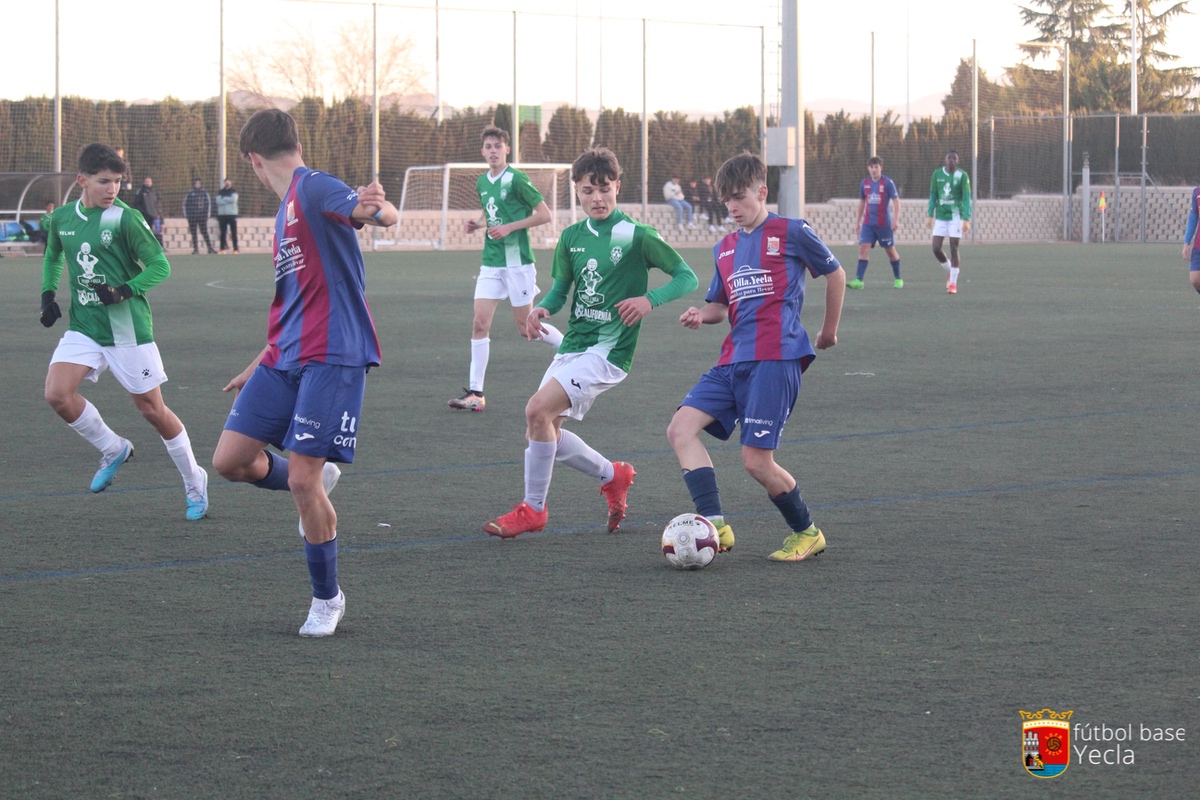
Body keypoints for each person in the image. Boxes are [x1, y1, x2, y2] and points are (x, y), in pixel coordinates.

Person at [211, 108, 397, 638]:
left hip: (333, 353)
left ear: (251, 160)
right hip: (284, 355)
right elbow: (299, 297)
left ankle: (327, 599)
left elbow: (376, 214)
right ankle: (321, 483)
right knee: (231, 461)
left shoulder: (313, 188)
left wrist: (375, 209)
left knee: (300, 477)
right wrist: (261, 359)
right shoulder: (287, 206)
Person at [483, 147, 699, 539]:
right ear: (577, 192)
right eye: (587, 191)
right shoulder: (571, 237)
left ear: (618, 186)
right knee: (543, 428)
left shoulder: (638, 235)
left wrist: (650, 300)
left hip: (609, 352)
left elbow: (686, 276)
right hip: (574, 346)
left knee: (535, 411)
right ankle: (612, 475)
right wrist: (541, 309)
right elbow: (561, 290)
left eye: (603, 189)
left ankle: (534, 510)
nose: (596, 199)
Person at [666, 152, 845, 562]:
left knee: (756, 463)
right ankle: (715, 525)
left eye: (739, 197)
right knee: (680, 429)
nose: (732, 207)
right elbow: (721, 306)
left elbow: (835, 274)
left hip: (776, 358)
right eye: (725, 199)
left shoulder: (791, 230)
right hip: (732, 360)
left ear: (762, 192)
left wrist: (828, 331)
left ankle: (807, 532)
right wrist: (701, 313)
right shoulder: (724, 248)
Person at [39, 143, 209, 521]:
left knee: (152, 409)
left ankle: (194, 480)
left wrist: (124, 290)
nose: (112, 189)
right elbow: (53, 254)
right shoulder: (62, 218)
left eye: (117, 181)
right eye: (103, 181)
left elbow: (159, 266)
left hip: (127, 328)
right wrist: (48, 293)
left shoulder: (126, 219)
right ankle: (113, 447)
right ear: (82, 180)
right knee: (57, 394)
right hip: (84, 327)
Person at [449, 126, 563, 411]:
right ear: (482, 151)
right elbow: (492, 214)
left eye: (498, 146)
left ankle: (572, 350)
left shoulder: (516, 178)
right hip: (491, 262)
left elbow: (544, 215)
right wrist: (477, 224)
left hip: (517, 262)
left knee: (528, 330)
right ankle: (476, 393)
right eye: (488, 146)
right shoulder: (482, 182)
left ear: (507, 150)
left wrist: (510, 227)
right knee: (479, 323)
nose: (493, 151)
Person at [848, 156, 903, 289]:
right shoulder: (864, 183)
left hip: (884, 224)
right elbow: (862, 202)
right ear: (868, 168)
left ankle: (898, 278)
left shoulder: (888, 183)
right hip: (868, 224)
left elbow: (896, 201)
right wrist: (857, 222)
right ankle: (859, 280)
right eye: (871, 167)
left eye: (876, 167)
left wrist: (895, 220)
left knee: (890, 251)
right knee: (863, 248)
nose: (874, 170)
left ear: (881, 168)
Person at [925, 150, 971, 295]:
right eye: (949, 158)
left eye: (954, 158)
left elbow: (966, 198)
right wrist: (929, 215)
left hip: (956, 216)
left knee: (953, 248)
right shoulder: (936, 175)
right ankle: (951, 270)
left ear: (957, 161)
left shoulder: (962, 176)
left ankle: (953, 284)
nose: (951, 160)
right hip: (940, 216)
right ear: (945, 160)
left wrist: (966, 218)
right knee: (936, 248)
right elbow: (933, 196)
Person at [183, 178, 217, 255]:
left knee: (205, 232)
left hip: (202, 217)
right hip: (192, 217)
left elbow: (208, 205)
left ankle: (210, 248)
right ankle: (196, 249)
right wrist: (187, 216)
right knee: (194, 233)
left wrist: (206, 215)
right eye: (196, 183)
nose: (197, 185)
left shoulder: (204, 193)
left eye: (199, 183)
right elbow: (185, 205)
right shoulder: (190, 193)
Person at [132, 177, 164, 246]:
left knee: (157, 230)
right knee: (145, 230)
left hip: (154, 215)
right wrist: (143, 212)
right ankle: (146, 245)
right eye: (147, 181)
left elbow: (157, 204)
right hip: (145, 215)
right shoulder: (140, 192)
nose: (148, 183)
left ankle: (159, 245)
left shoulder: (154, 191)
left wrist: (158, 213)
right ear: (144, 182)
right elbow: (136, 204)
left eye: (149, 181)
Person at [1182, 182, 1200, 294]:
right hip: (1199, 244)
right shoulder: (1197, 192)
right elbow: (1193, 217)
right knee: (1195, 279)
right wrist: (1186, 243)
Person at [215, 178, 240, 254]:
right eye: (226, 182)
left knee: (234, 232)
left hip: (232, 214)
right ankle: (222, 248)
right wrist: (228, 200)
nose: (227, 183)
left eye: (229, 182)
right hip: (222, 215)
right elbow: (218, 201)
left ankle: (235, 249)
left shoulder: (233, 191)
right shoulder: (221, 192)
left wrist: (224, 199)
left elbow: (233, 200)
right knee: (223, 233)